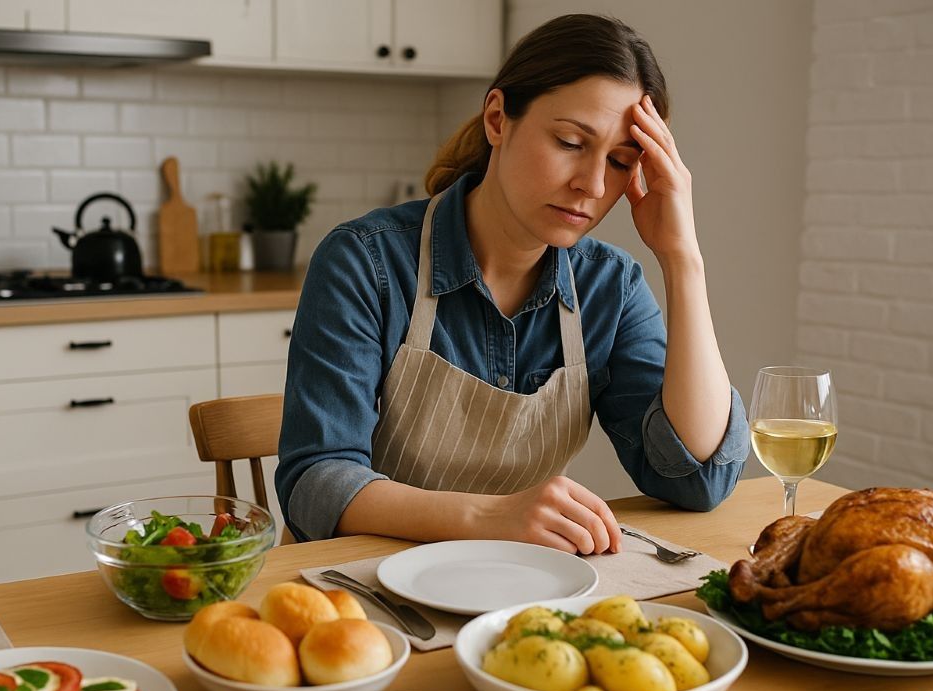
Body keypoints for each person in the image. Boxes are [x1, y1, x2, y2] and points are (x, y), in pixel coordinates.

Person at [276, 14, 749, 554]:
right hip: (361, 589)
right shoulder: (366, 262)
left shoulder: (609, 288)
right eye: (571, 142)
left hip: (521, 589)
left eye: (620, 162)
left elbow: (697, 479)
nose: (592, 186)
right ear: (498, 119)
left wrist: (682, 258)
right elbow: (314, 483)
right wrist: (490, 515)